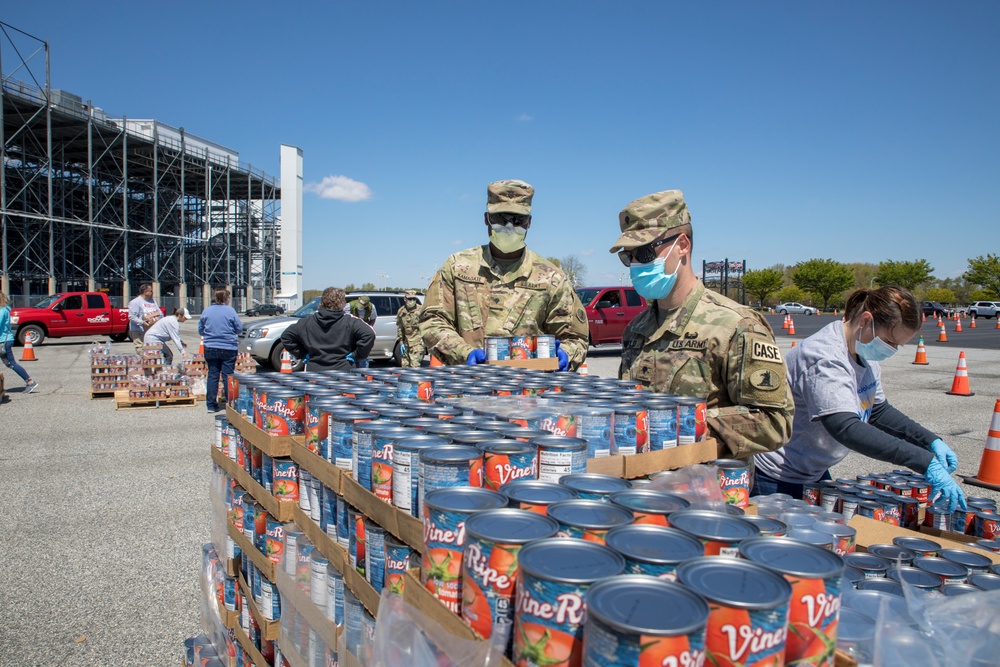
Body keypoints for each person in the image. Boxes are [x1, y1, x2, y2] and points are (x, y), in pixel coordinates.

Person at [610, 190, 794, 459]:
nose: (636, 264)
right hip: (643, 487)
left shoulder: (736, 325)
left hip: (707, 491)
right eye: (629, 257)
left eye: (645, 252)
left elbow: (775, 421)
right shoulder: (637, 328)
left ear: (682, 245)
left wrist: (682, 427)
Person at [752, 287, 967, 511]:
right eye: (889, 342)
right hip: (776, 475)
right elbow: (845, 427)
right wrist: (922, 462)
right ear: (866, 320)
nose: (891, 350)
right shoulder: (825, 357)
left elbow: (878, 411)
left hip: (812, 469)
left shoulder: (861, 349)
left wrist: (930, 442)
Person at [419, 179, 588, 371]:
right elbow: (432, 320)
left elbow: (575, 337)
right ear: (486, 219)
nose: (509, 226)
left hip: (530, 393)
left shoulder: (551, 277)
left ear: (529, 223)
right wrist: (464, 354)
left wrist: (565, 353)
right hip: (469, 387)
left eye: (518, 219)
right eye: (501, 217)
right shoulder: (458, 267)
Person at [282, 288, 375, 372]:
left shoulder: (307, 322)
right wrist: (357, 355)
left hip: (315, 372)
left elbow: (286, 336)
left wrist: (302, 354)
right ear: (342, 303)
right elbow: (369, 334)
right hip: (344, 373)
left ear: (322, 302)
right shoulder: (350, 322)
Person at [199, 289, 243, 413]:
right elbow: (239, 328)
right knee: (227, 376)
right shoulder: (230, 311)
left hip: (211, 347)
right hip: (228, 347)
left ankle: (211, 405)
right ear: (225, 299)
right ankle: (231, 403)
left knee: (213, 375)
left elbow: (201, 330)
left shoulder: (206, 311)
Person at [0, 292, 38, 394]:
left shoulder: (1, 311)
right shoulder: (5, 309)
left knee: (11, 363)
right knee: (10, 364)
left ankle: (30, 382)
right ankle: (29, 381)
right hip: (5, 340)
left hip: (3, 341)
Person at [127, 284, 162, 354]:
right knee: (141, 350)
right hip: (139, 330)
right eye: (151, 291)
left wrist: (158, 319)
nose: (153, 293)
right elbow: (132, 317)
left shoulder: (152, 301)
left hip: (151, 330)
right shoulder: (135, 302)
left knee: (152, 350)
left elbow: (159, 313)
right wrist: (142, 322)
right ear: (145, 292)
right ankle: (142, 363)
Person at [396, 290, 425, 367]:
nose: (412, 301)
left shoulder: (421, 310)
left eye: (414, 299)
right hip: (406, 343)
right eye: (410, 299)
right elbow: (400, 327)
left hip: (417, 343)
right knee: (405, 367)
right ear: (405, 299)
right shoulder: (401, 311)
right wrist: (401, 342)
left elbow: (427, 325)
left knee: (415, 367)